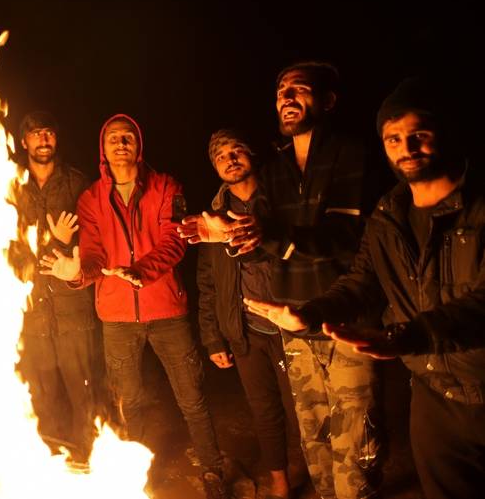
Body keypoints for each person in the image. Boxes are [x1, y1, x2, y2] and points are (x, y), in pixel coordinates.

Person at [246, 77, 485, 499]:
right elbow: (363, 280)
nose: (406, 148)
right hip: (433, 395)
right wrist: (311, 312)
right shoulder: (389, 215)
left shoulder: (478, 209)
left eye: (419, 135)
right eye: (394, 139)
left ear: (444, 133)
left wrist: (410, 335)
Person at [40, 114, 226, 499]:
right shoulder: (91, 199)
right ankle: (129, 480)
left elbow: (174, 241)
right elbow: (92, 256)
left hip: (167, 311)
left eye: (127, 137)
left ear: (139, 146)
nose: (120, 143)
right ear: (102, 149)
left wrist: (141, 270)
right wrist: (76, 273)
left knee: (191, 396)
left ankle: (212, 469)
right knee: (129, 402)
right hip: (117, 317)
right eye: (112, 138)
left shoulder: (165, 186)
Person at [241, 62, 381, 499]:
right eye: (281, 90)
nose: (286, 97)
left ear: (328, 101)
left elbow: (344, 238)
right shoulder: (274, 168)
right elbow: (263, 237)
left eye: (299, 89)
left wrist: (274, 237)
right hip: (293, 322)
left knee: (355, 445)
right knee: (314, 439)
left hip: (347, 320)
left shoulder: (351, 152)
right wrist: (228, 233)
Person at [194, 129, 302, 498]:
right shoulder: (214, 215)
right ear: (215, 167)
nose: (230, 158)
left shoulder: (283, 198)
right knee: (264, 410)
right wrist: (213, 337)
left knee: (301, 410)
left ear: (253, 155)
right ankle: (280, 484)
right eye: (220, 155)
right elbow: (207, 281)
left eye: (237, 149)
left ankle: (325, 475)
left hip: (291, 326)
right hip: (246, 330)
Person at [10, 111, 97, 467]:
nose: (43, 139)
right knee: (42, 389)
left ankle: (86, 455)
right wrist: (52, 240)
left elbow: (90, 238)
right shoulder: (11, 186)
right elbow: (9, 243)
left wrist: (64, 245)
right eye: (35, 133)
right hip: (30, 306)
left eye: (49, 133)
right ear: (24, 142)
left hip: (72, 304)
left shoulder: (77, 182)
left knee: (83, 387)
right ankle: (48, 455)